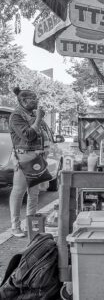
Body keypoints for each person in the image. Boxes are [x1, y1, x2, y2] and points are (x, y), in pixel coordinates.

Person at [8, 87, 50, 238]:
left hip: (37, 157)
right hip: (24, 157)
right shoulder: (16, 116)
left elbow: (41, 136)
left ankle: (30, 224)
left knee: (34, 193)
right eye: (33, 99)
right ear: (24, 101)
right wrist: (38, 119)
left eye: (36, 98)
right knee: (19, 192)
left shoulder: (31, 114)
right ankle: (15, 226)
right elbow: (28, 136)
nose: (37, 101)